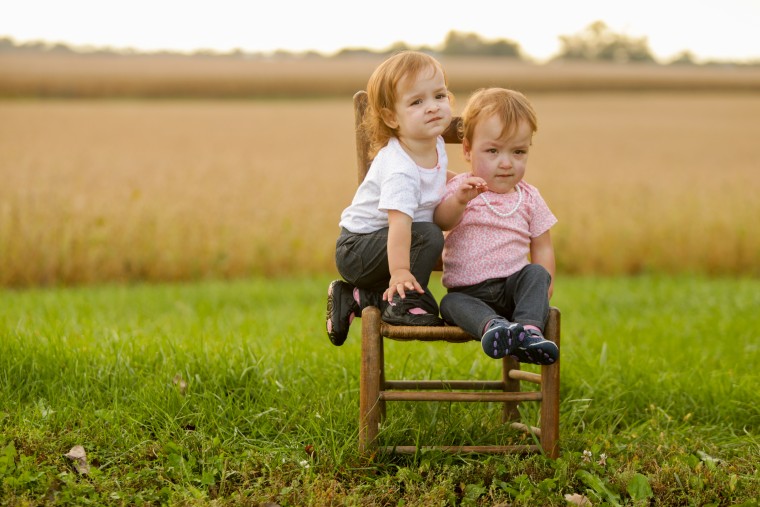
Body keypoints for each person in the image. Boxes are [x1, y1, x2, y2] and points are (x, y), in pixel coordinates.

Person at [326, 50, 453, 346]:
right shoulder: (400, 169)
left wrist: (461, 183)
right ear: (391, 117)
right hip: (358, 250)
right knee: (429, 235)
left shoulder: (432, 143)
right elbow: (398, 226)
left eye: (440, 96)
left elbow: (437, 174)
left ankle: (357, 297)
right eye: (417, 102)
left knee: (428, 236)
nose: (433, 107)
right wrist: (399, 273)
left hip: (377, 247)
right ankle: (400, 302)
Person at [433, 88, 559, 364]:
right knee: (449, 304)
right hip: (468, 293)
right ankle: (495, 328)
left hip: (514, 290)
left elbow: (543, 245)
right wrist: (459, 201)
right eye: (492, 151)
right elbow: (442, 221)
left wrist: (542, 289)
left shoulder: (529, 197)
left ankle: (529, 332)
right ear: (467, 150)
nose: (506, 163)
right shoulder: (459, 188)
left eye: (518, 152)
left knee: (537, 272)